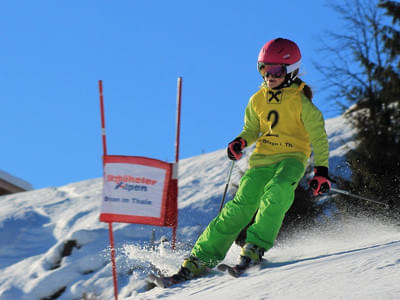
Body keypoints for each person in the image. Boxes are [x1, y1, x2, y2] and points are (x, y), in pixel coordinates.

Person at [174, 37, 331, 281]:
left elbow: (319, 138)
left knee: (277, 191)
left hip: (292, 158)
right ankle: (202, 256)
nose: (269, 76)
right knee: (241, 206)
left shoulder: (302, 103)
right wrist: (240, 141)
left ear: (290, 71)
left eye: (276, 70)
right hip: (262, 160)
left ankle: (255, 247)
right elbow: (251, 129)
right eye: (264, 69)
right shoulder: (257, 99)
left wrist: (321, 171)